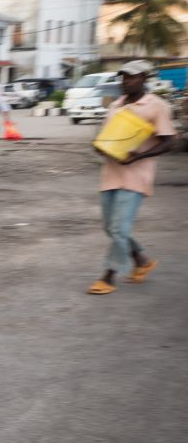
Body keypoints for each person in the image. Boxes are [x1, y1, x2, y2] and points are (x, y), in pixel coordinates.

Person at [86, 60, 175, 295]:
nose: (126, 81)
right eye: (123, 77)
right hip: (111, 173)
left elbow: (168, 141)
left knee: (119, 228)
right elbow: (107, 137)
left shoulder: (157, 106)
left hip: (136, 175)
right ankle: (142, 261)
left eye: (132, 77)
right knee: (112, 228)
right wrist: (100, 146)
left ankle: (109, 276)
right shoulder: (116, 106)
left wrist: (138, 156)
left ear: (144, 77)